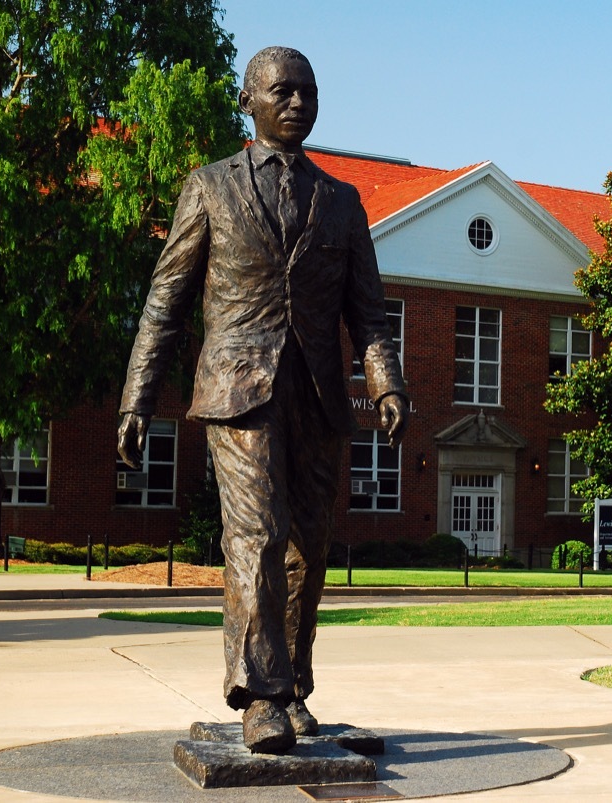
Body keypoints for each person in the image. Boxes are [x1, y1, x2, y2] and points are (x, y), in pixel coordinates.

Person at [117, 46, 408, 754]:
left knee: (310, 545)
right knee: (257, 533)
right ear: (247, 100)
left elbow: (368, 312)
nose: (299, 103)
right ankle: (260, 694)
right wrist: (137, 398)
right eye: (282, 91)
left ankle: (294, 684)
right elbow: (165, 300)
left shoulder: (342, 201)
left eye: (309, 92)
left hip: (317, 395)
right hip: (237, 391)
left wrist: (387, 382)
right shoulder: (210, 187)